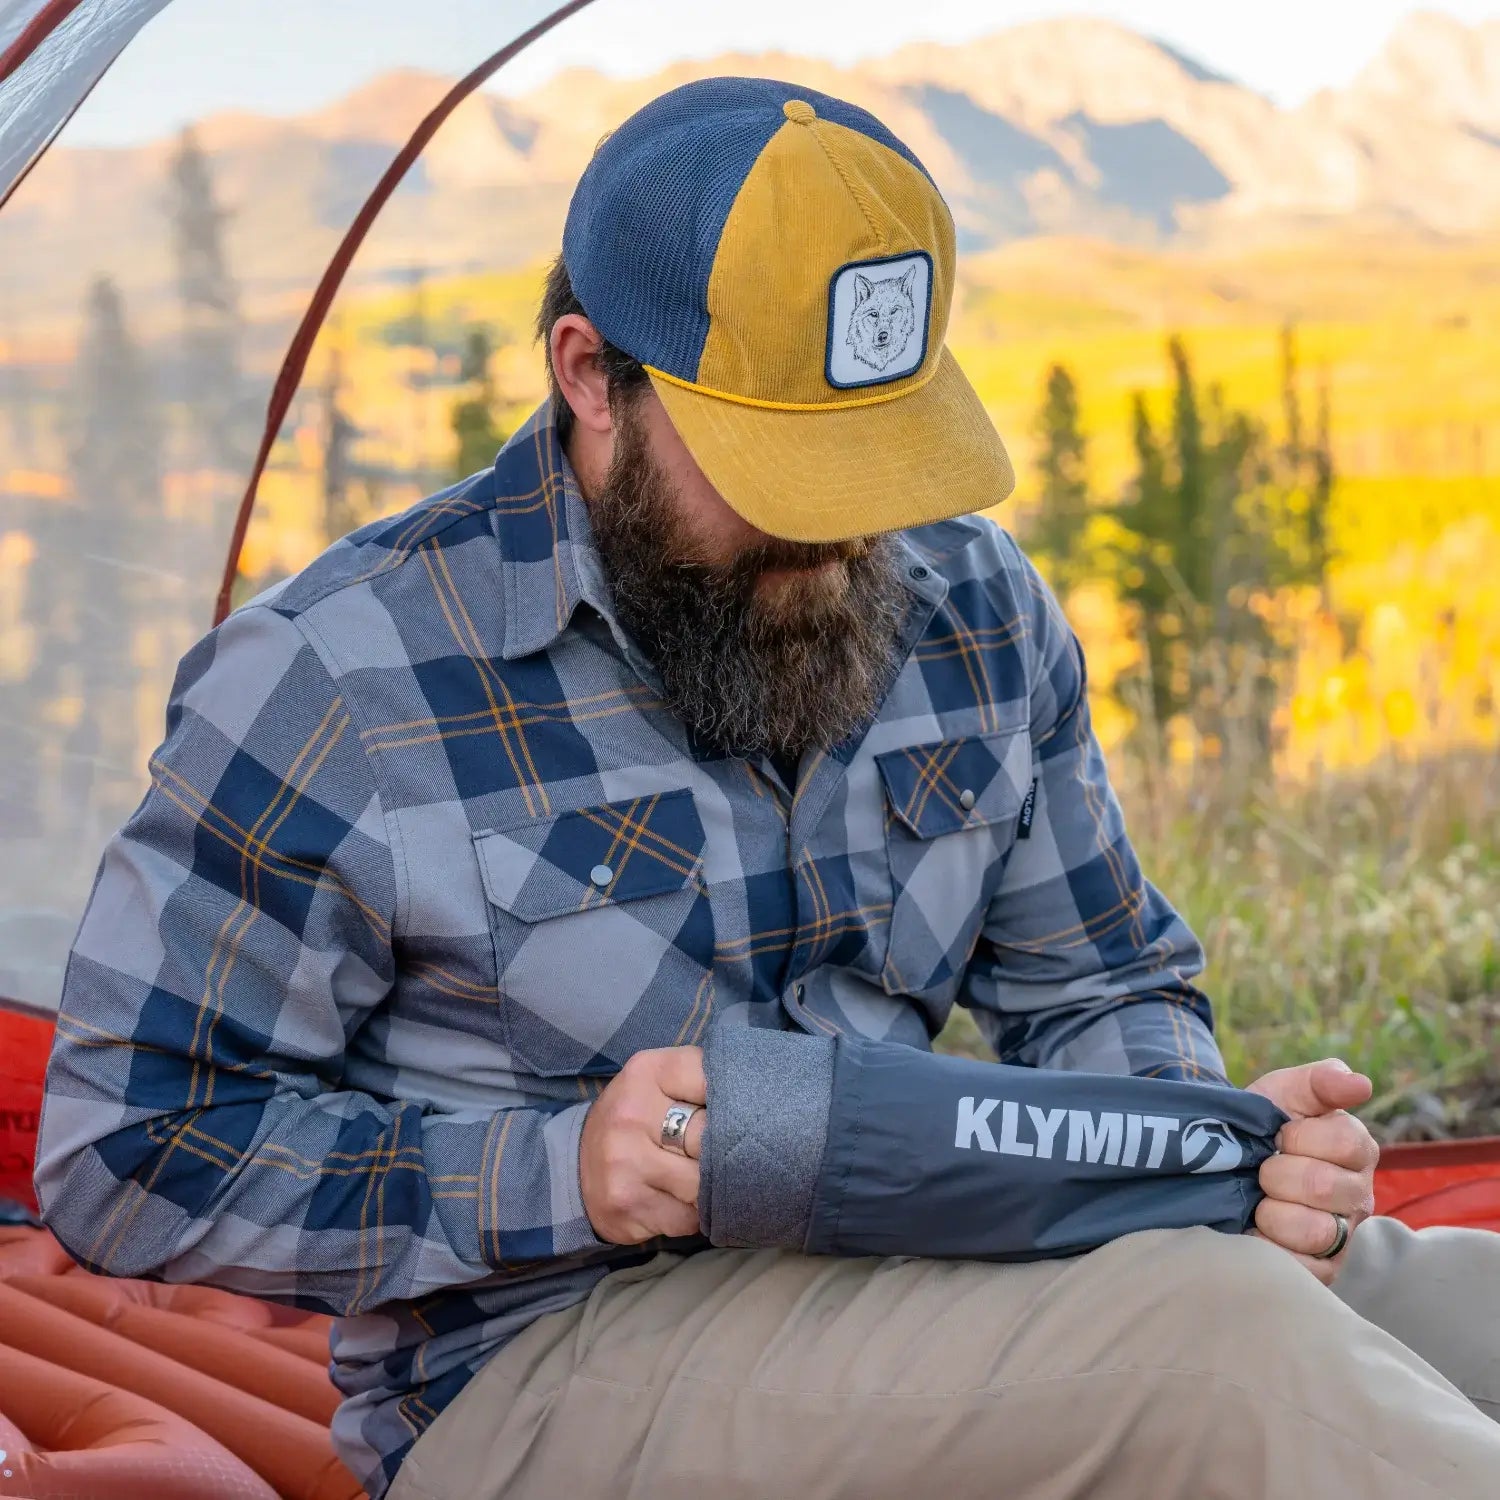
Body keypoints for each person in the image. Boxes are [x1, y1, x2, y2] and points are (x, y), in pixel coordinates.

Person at [35, 77, 1500, 1500]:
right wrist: (558, 1172)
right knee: (1222, 1351)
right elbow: (126, 1150)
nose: (845, 526)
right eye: (778, 463)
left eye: (874, 455)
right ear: (588, 375)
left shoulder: (972, 603)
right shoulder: (338, 681)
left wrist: (1201, 1154)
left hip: (951, 1259)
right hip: (544, 1368)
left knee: (1461, 1311)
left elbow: (1103, 982)